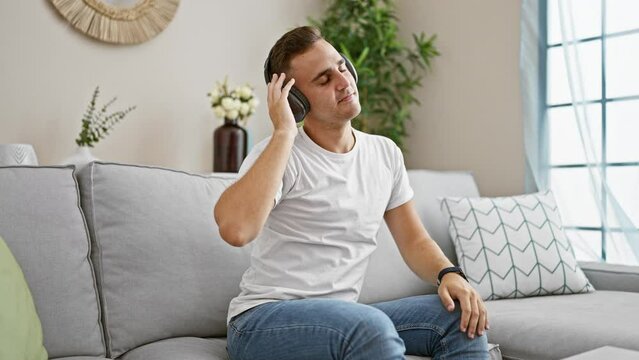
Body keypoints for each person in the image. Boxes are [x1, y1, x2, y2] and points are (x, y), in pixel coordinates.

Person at [214, 26, 490, 360]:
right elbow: (236, 229)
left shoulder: (385, 153)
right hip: (263, 321)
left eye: (342, 67)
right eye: (324, 79)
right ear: (296, 102)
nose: (344, 82)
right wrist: (285, 131)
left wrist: (450, 274)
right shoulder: (278, 154)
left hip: (343, 318)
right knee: (369, 326)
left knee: (460, 315)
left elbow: (415, 241)